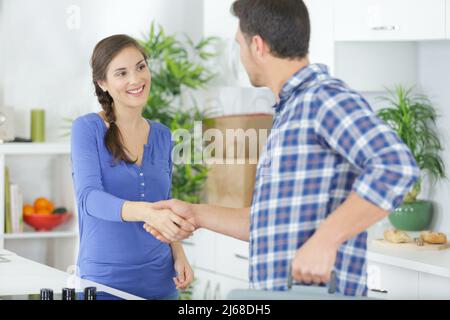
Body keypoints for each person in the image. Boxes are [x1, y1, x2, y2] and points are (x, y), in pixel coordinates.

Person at [145, 0, 420, 296]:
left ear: (258, 46)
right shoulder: (291, 111)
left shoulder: (322, 98)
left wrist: (326, 239)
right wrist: (195, 214)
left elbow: (396, 166)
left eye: (240, 45)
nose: (240, 56)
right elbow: (267, 223)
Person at [71, 34, 195, 300]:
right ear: (102, 83)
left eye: (140, 67)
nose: (136, 80)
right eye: (121, 73)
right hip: (103, 283)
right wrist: (146, 212)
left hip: (161, 282)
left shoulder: (162, 135)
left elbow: (164, 202)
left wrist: (179, 252)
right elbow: (89, 198)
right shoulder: (87, 129)